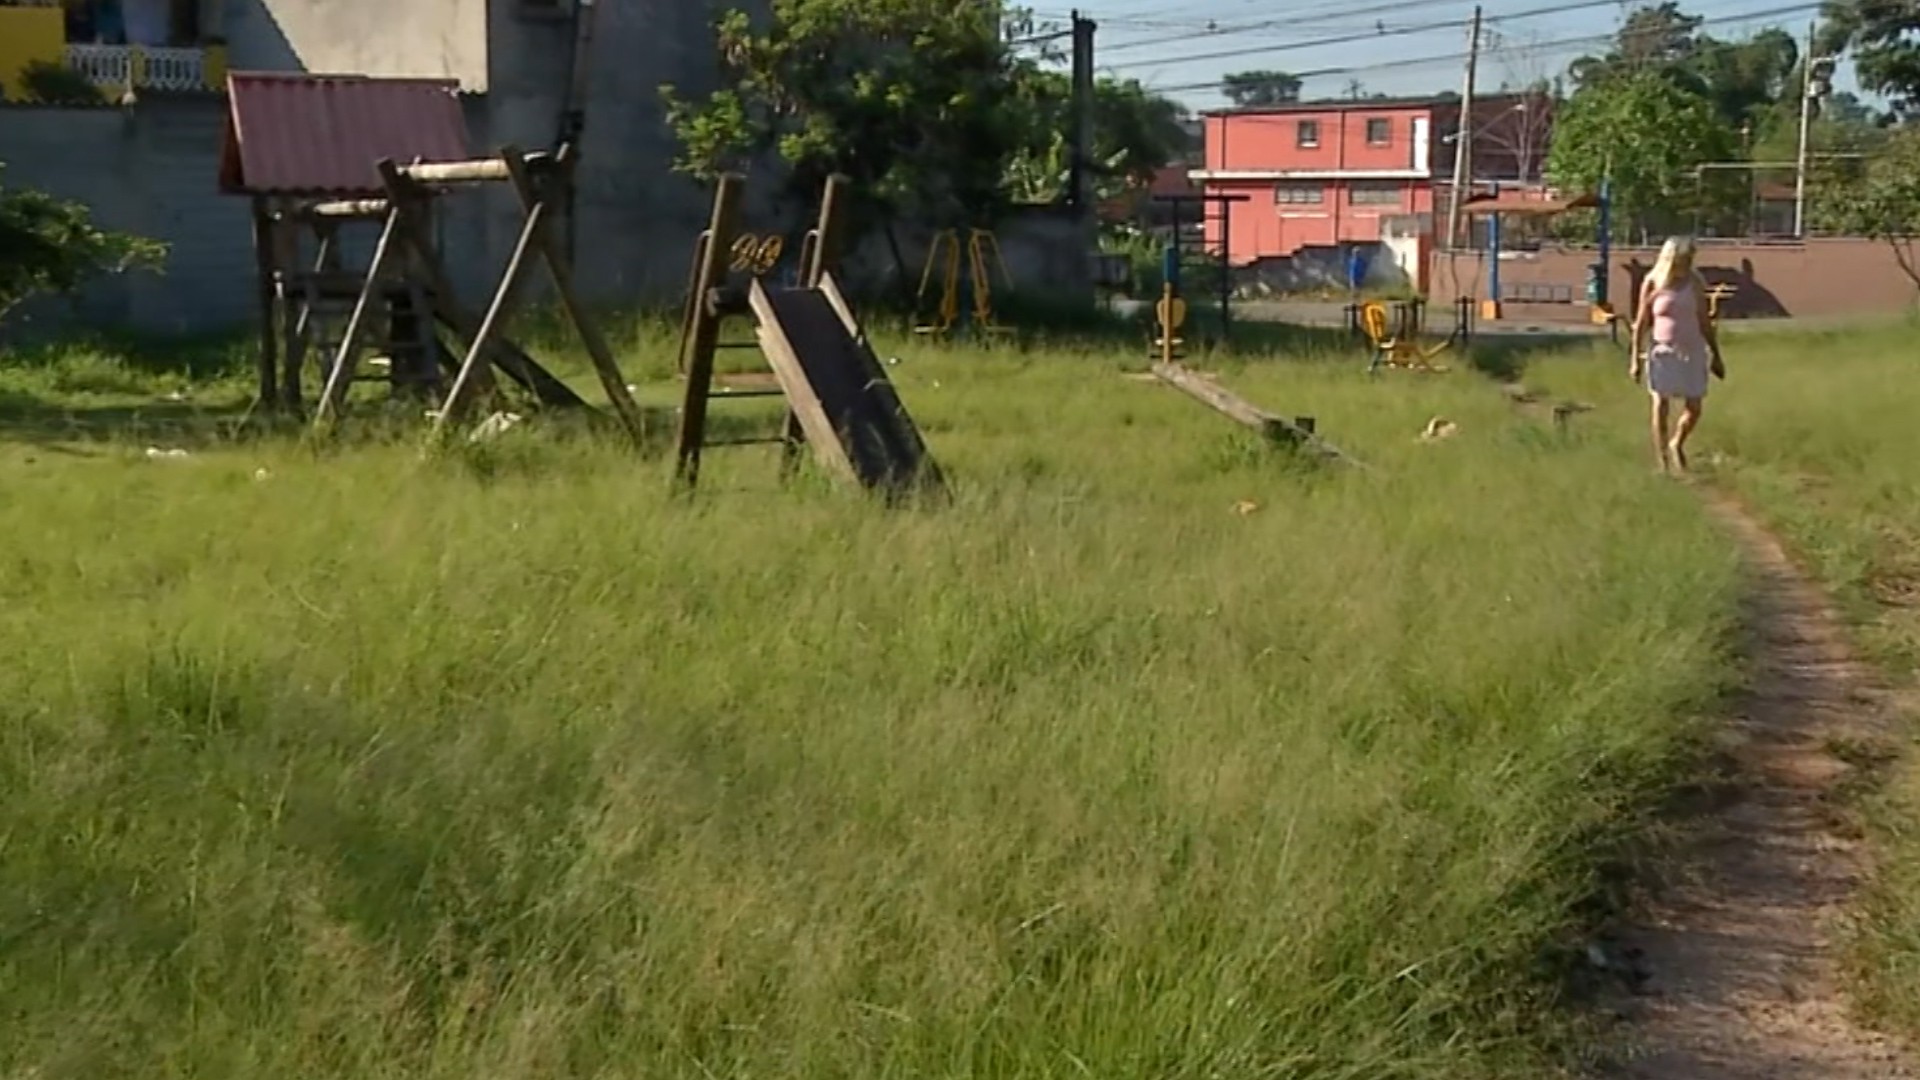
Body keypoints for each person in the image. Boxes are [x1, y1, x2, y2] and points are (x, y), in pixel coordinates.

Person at [1629, 236, 1724, 473]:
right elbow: (1641, 322)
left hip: (1692, 349)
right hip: (1663, 351)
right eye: (1684, 258)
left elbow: (1704, 320)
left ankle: (1677, 443)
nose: (1688, 262)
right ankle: (1662, 461)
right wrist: (1635, 358)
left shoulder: (1695, 281)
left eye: (1691, 258)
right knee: (1661, 402)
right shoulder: (1653, 282)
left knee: (1694, 406)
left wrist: (1716, 354)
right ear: (1671, 258)